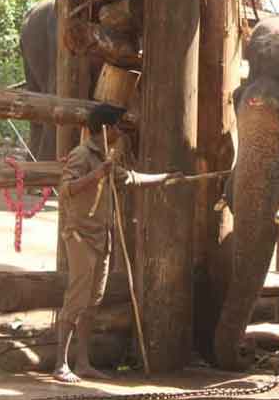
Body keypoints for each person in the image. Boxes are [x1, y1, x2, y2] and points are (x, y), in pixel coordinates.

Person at [54, 103, 181, 383]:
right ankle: (61, 365)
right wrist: (96, 175)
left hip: (102, 237)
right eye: (117, 126)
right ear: (106, 128)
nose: (120, 132)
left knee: (92, 301)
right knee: (76, 299)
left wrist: (165, 178)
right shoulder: (82, 155)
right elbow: (65, 190)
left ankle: (83, 362)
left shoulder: (106, 158)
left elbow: (131, 179)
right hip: (81, 236)